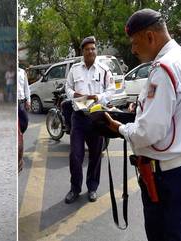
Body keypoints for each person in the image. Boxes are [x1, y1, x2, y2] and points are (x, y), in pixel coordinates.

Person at [104, 9, 181, 241]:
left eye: (135, 42)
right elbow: (176, 110)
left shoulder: (164, 68)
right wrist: (140, 110)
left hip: (166, 176)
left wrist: (119, 128)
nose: (133, 50)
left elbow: (149, 132)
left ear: (150, 36)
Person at [63, 36, 115, 204]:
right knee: (75, 155)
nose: (91, 51)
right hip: (78, 117)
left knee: (95, 155)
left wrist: (98, 96)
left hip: (96, 117)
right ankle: (75, 188)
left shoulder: (104, 69)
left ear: (96, 50)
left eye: (93, 48)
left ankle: (92, 187)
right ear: (82, 52)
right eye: (87, 49)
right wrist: (74, 95)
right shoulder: (74, 70)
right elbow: (68, 87)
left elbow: (111, 89)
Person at [18, 67, 30, 134]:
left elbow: (26, 87)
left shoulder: (22, 72)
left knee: (25, 122)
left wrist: (28, 100)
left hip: (21, 102)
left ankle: (20, 134)